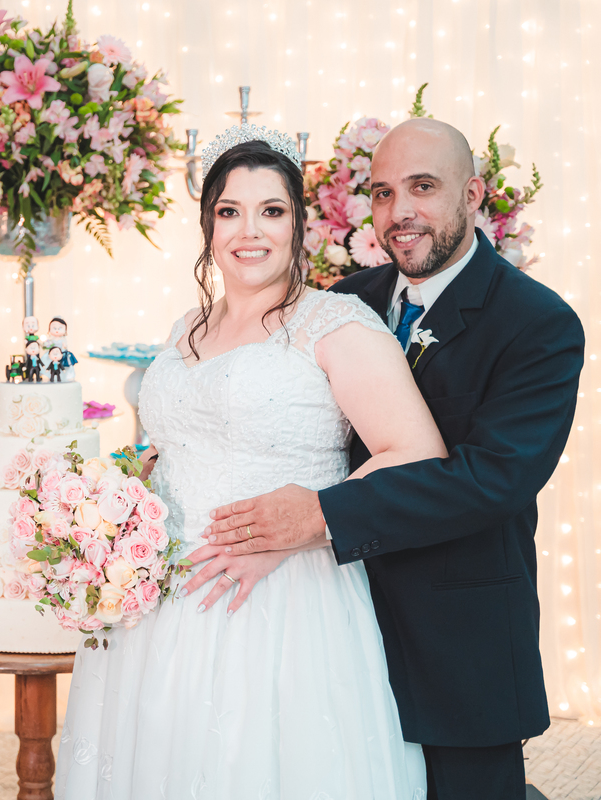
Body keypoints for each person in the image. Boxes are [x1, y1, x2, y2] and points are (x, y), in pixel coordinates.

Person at [199, 119, 585, 799]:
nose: (399, 212)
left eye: (423, 187)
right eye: (382, 193)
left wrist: (318, 516)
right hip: (332, 628)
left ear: (474, 194)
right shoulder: (347, 300)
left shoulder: (537, 323)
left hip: (456, 644)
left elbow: (490, 480)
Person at [55, 134, 444, 799]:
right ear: (208, 225)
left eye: (272, 211)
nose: (249, 231)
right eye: (230, 211)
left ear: (299, 223)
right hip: (156, 594)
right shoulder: (187, 327)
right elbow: (177, 443)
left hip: (281, 595)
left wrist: (304, 527)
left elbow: (415, 452)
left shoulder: (336, 323)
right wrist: (118, 502)